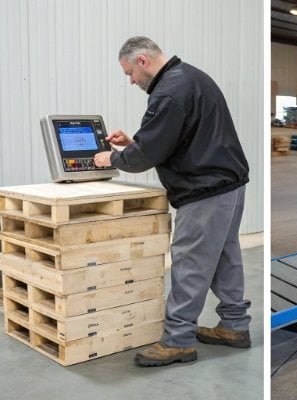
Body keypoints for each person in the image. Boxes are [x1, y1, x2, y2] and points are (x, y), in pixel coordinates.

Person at [94, 36, 252, 367]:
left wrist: (113, 159)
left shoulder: (169, 91)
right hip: (228, 184)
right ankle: (235, 326)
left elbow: (148, 155)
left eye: (129, 73)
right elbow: (180, 137)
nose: (130, 81)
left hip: (205, 189)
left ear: (142, 61)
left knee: (190, 264)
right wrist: (136, 141)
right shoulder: (190, 77)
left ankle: (177, 340)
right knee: (225, 257)